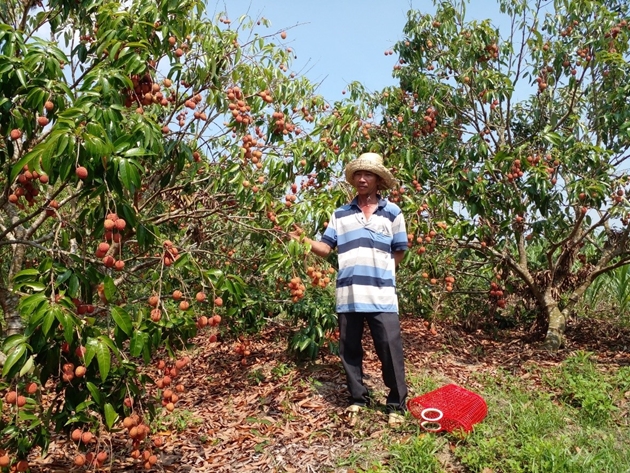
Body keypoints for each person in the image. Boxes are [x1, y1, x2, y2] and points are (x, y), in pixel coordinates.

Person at [291, 152, 408, 427]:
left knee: (390, 349)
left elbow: (400, 251)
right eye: (358, 174)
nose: (362, 178)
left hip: (381, 294)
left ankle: (396, 403)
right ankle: (358, 398)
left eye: (368, 174)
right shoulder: (340, 214)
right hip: (349, 294)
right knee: (350, 350)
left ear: (378, 180)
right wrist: (302, 238)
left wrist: (382, 271)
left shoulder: (392, 212)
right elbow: (324, 248)